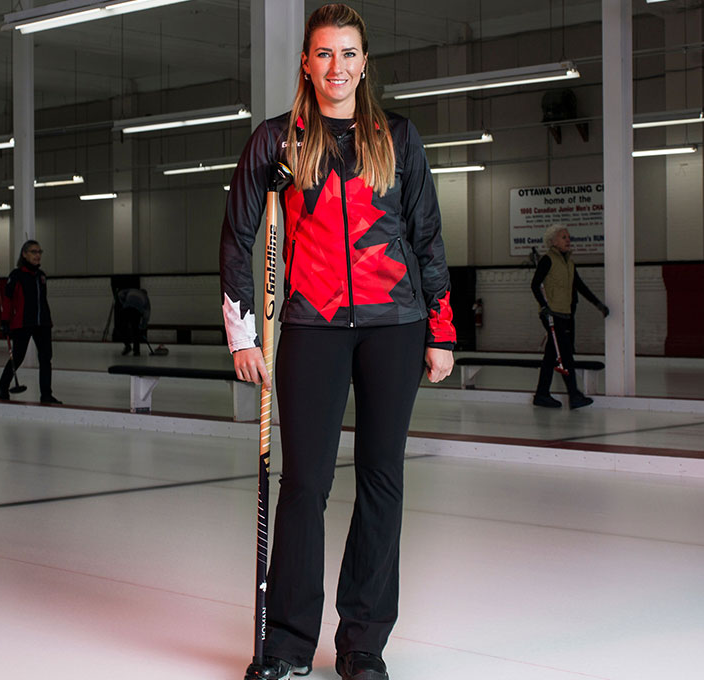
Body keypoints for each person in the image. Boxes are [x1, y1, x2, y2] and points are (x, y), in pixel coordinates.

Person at [220, 6, 455, 679]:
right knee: (306, 487)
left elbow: (428, 237)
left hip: (395, 327)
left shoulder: (398, 138)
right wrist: (243, 333)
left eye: (349, 54)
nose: (337, 67)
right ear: (306, 62)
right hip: (312, 328)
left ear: (365, 61)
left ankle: (362, 646)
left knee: (383, 482)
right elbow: (238, 236)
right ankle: (289, 645)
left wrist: (440, 331)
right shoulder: (279, 142)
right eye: (325, 54)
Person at [530, 224, 609, 410]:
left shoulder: (569, 263)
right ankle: (574, 395)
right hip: (552, 314)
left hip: (565, 314)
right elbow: (535, 285)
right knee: (565, 354)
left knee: (552, 356)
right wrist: (544, 306)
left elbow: (580, 286)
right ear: (553, 241)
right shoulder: (547, 260)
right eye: (563, 237)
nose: (568, 239)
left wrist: (598, 304)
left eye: (568, 236)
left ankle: (542, 394)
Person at [0, 240, 61, 404]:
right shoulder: (16, 275)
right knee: (17, 357)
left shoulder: (41, 276)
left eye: (40, 252)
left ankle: (46, 394)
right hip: (23, 323)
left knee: (46, 358)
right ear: (24, 254)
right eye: (33, 252)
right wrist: (5, 321)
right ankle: (3, 387)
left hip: (43, 323)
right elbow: (8, 300)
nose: (37, 255)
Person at [115, 287, 151, 356]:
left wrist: (124, 302)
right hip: (136, 312)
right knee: (136, 331)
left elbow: (120, 294)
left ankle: (127, 345)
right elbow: (146, 314)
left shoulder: (131, 290)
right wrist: (143, 326)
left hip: (126, 309)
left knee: (120, 327)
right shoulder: (146, 298)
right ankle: (136, 351)